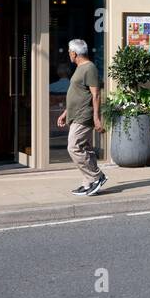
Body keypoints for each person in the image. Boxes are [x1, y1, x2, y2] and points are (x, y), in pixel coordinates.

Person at [57, 39, 107, 196]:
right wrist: (65, 113)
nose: (69, 54)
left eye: (69, 52)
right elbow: (78, 94)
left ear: (74, 53)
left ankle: (97, 176)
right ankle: (88, 183)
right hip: (75, 114)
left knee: (74, 147)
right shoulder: (80, 68)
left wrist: (97, 118)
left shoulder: (89, 68)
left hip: (83, 115)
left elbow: (96, 94)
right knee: (85, 149)